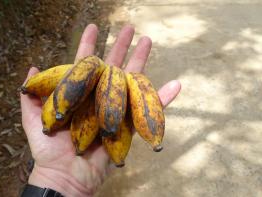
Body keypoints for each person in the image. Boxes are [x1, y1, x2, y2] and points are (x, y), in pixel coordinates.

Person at [20, 24, 181, 197]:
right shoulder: (90, 67)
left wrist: (53, 181)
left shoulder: (125, 80)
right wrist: (56, 177)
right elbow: (69, 91)